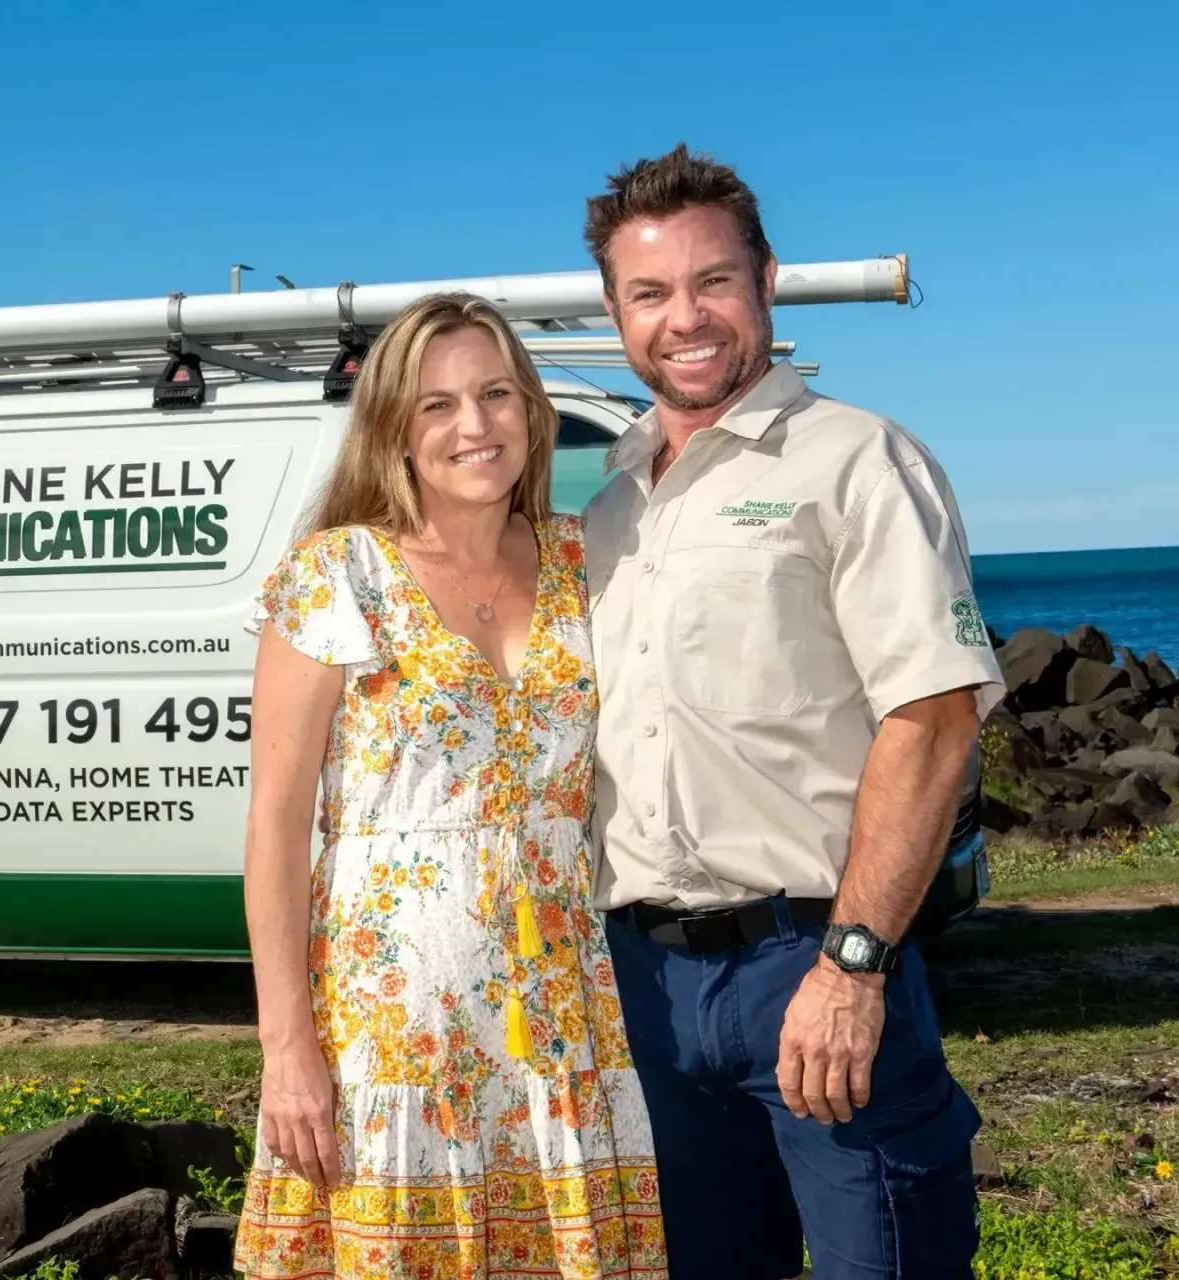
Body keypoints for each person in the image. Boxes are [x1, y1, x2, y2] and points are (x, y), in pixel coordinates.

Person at [578, 144, 1006, 1279]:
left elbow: (934, 719)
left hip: (811, 960)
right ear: (616, 313)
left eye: (713, 280)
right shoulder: (610, 505)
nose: (687, 318)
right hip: (647, 986)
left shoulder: (858, 460)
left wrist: (854, 964)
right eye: (651, 293)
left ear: (767, 280)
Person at [233, 292, 668, 1280]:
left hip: (563, 1018)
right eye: (436, 404)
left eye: (495, 393)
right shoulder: (337, 572)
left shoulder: (580, 559)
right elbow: (274, 824)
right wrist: (285, 1045)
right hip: (393, 1033)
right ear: (394, 426)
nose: (474, 425)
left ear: (532, 410)